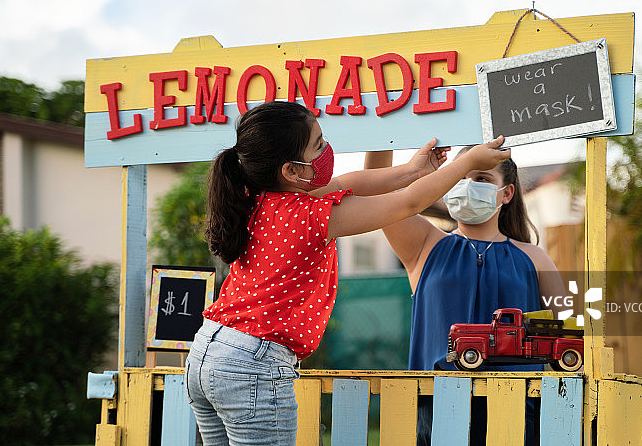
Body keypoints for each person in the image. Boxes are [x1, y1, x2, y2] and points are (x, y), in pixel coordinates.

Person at [185, 101, 511, 446]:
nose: (327, 150)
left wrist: (415, 169)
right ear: (292, 171)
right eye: (319, 145)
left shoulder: (258, 198)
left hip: (208, 351)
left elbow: (351, 181)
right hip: (252, 365)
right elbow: (408, 204)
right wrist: (467, 163)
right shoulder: (310, 216)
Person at [364, 146, 567, 445]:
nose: (469, 185)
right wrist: (385, 133)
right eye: (460, 176)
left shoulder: (535, 259)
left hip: (516, 415)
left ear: (507, 193)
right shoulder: (424, 245)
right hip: (435, 414)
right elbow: (373, 194)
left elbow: (565, 337)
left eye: (482, 178)